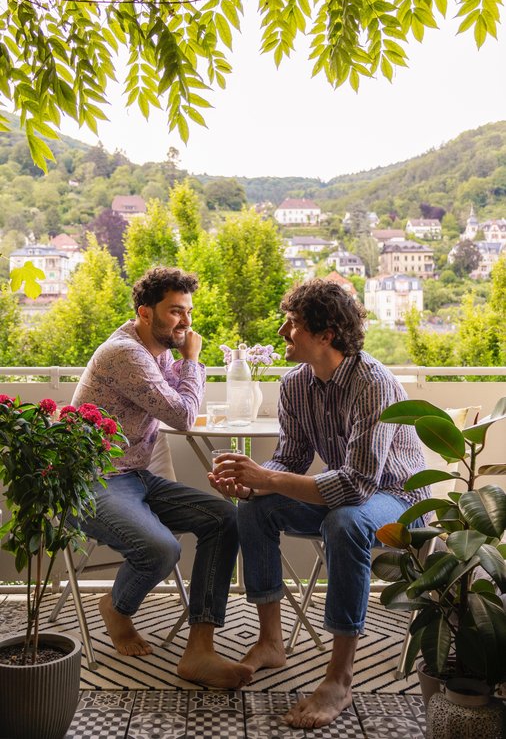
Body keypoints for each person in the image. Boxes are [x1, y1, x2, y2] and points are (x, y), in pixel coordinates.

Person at [211, 278, 429, 725]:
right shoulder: (295, 385)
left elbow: (357, 486)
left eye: (292, 323)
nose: (281, 333)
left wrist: (267, 477)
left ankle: (339, 677)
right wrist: (249, 486)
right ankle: (271, 641)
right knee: (255, 509)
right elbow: (290, 460)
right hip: (352, 496)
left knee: (345, 522)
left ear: (326, 334)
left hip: (400, 501)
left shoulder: (373, 384)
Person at [72, 265, 252, 689]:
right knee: (160, 549)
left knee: (225, 517)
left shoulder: (156, 349)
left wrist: (182, 363)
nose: (186, 322)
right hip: (93, 482)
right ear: (145, 312)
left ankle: (200, 650)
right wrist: (193, 360)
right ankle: (116, 608)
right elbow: (183, 415)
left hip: (134, 476)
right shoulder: (126, 354)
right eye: (175, 312)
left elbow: (174, 399)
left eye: (187, 311)